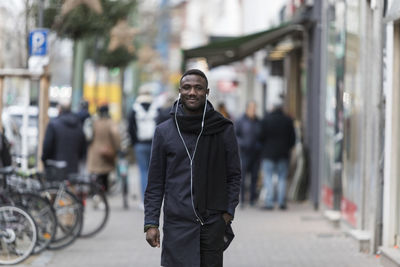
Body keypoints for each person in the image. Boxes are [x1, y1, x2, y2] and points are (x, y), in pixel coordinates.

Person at [144, 69, 241, 267]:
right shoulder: (164, 132)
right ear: (180, 91)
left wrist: (227, 213)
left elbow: (234, 175)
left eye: (198, 88)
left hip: (212, 223)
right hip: (177, 223)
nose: (192, 92)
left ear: (207, 92)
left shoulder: (222, 128)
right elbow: (155, 182)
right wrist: (151, 222)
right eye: (187, 87)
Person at [259, 100, 295, 210]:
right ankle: (281, 202)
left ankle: (269, 202)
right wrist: (287, 148)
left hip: (268, 153)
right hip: (283, 154)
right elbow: (292, 139)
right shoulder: (288, 120)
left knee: (268, 177)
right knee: (282, 178)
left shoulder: (266, 120)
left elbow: (260, 137)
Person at [128, 85, 158, 207]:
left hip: (139, 144)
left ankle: (144, 200)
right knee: (154, 173)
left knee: (143, 172)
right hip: (153, 144)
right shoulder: (156, 108)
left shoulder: (135, 108)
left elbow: (130, 128)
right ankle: (154, 201)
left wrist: (134, 142)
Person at [42, 100, 86, 177]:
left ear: (59, 110)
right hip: (73, 166)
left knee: (56, 188)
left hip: (56, 166)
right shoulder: (78, 125)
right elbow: (83, 147)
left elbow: (47, 146)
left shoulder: (54, 124)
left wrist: (44, 159)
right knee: (71, 188)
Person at [87, 104, 120, 192]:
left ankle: (96, 190)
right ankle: (104, 190)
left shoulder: (95, 122)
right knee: (105, 172)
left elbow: (89, 136)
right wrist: (118, 148)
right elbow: (116, 135)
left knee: (97, 172)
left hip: (95, 151)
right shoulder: (111, 123)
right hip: (107, 151)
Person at [235, 100, 262, 207]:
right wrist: (243, 143)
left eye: (255, 108)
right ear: (247, 109)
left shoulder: (258, 121)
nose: (253, 110)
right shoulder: (240, 121)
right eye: (252, 108)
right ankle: (241, 200)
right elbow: (235, 135)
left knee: (254, 177)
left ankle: (252, 199)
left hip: (256, 154)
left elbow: (262, 136)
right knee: (243, 177)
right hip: (244, 153)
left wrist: (259, 145)